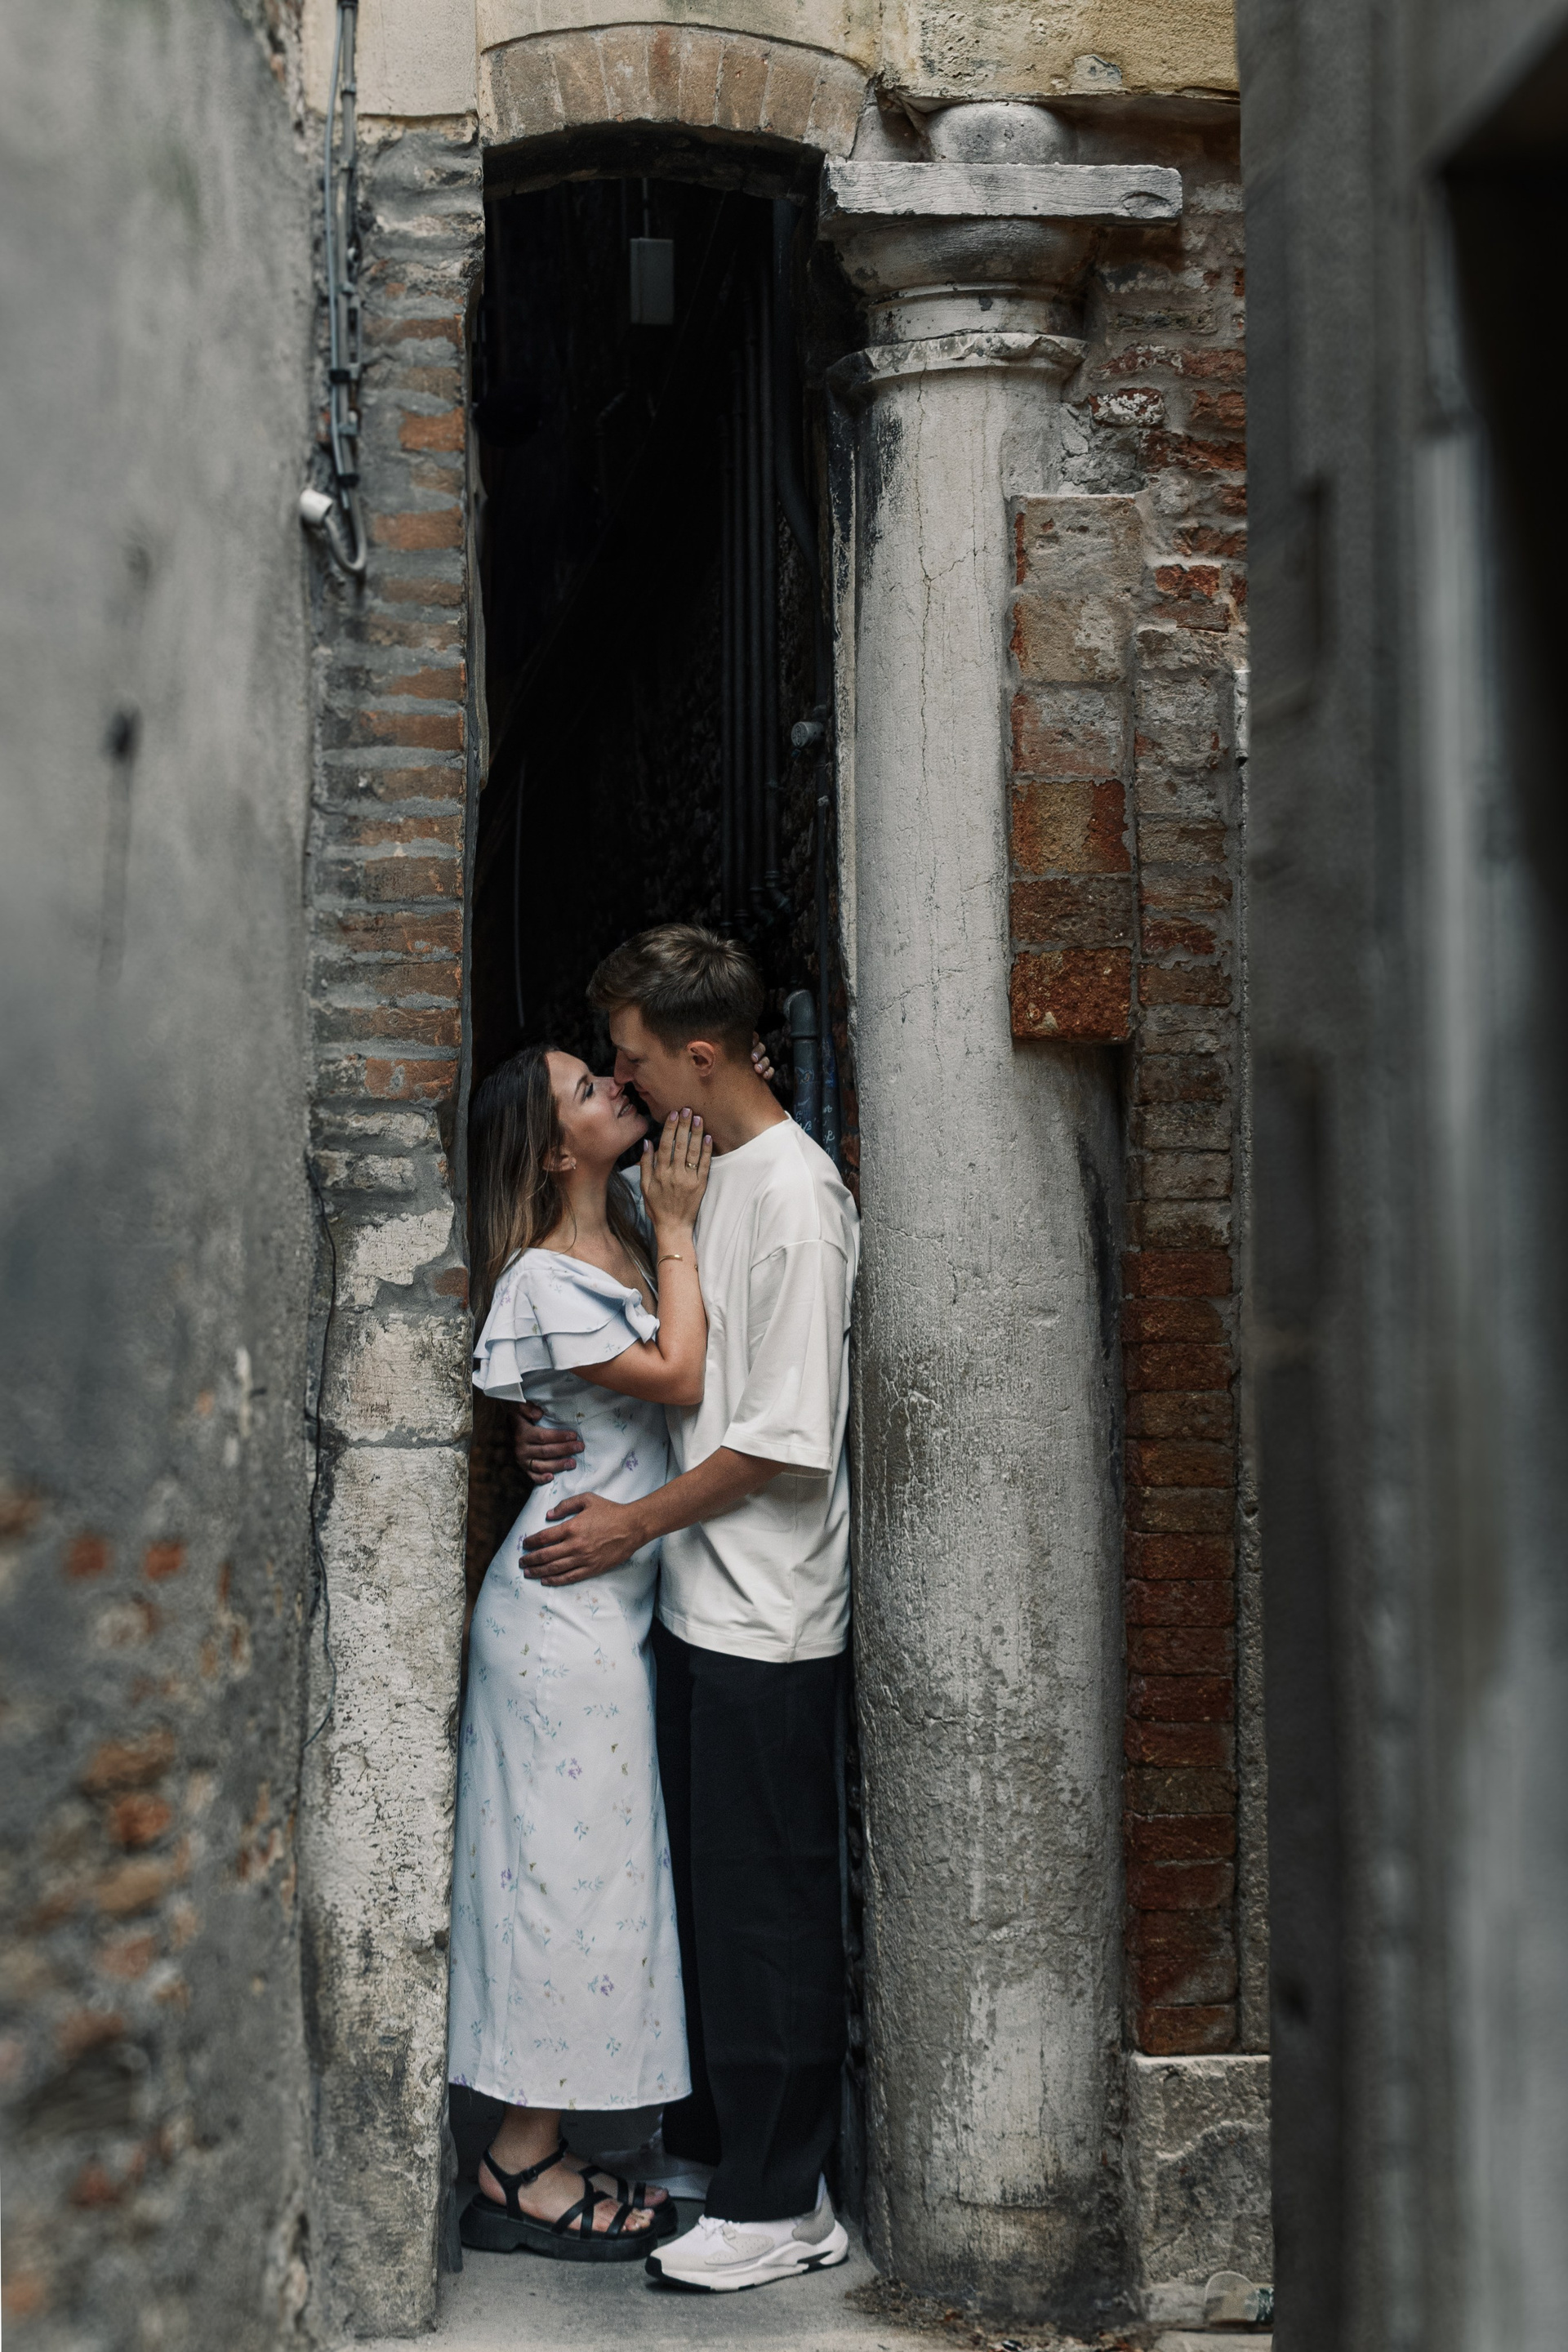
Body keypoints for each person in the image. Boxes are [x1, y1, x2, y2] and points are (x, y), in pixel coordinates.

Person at [515, 924, 860, 2293]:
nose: (625, 1079)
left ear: (700, 1055)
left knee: (773, 1914)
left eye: (636, 1059)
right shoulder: (702, 1173)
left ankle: (786, 2206)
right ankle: (725, 2157)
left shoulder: (797, 1200)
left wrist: (628, 1522)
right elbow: (671, 1361)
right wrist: (560, 1430)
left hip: (770, 1613)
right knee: (719, 1901)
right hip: (697, 1602)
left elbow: (782, 1439)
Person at [448, 1042, 714, 2261]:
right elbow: (680, 1376)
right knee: (561, 1883)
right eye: (584, 1088)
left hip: (608, 1609)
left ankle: (540, 2147)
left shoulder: (621, 1238)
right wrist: (681, 1223)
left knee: (596, 1879)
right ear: (556, 1151)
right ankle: (519, 2162)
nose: (612, 1085)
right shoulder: (549, 1275)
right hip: (560, 1621)